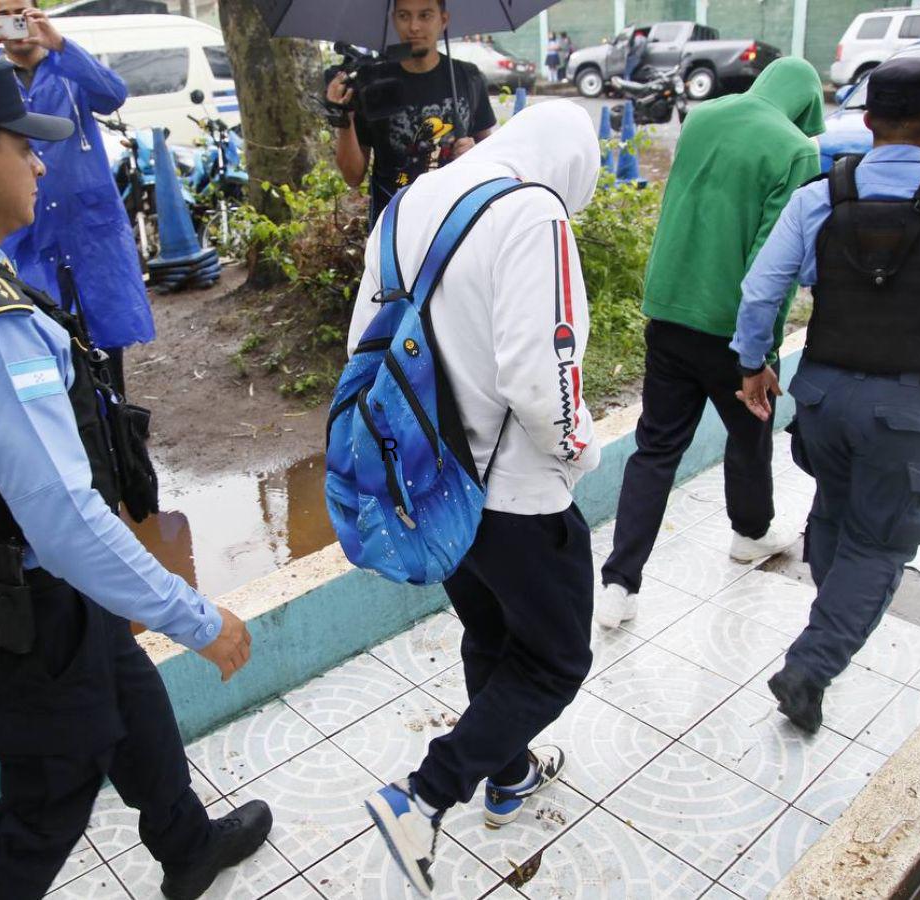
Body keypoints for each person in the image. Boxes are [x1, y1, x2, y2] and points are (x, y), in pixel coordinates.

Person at [0, 59, 270, 898]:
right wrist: (198, 619)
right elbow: (63, 518)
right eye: (22, 145)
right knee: (47, 802)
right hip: (28, 609)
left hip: (3, 592)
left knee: (131, 694)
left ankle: (187, 846)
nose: (37, 162)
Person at [351, 100, 601, 896]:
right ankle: (424, 795)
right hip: (518, 495)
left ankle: (511, 773)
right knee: (555, 660)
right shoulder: (534, 211)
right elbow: (541, 379)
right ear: (570, 165)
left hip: (432, 486)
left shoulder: (406, 204)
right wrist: (581, 452)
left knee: (491, 633)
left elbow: (364, 341)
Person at [733, 57, 920, 732]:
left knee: (835, 509)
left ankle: (832, 617)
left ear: (869, 120)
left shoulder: (819, 197)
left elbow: (761, 292)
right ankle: (811, 666)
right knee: (881, 541)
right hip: (905, 410)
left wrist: (753, 364)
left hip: (821, 399)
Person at [596, 58, 826, 630]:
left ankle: (618, 583)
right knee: (750, 432)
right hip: (731, 328)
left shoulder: (704, 116)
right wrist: (759, 356)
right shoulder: (797, 150)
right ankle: (749, 533)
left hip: (668, 312)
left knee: (655, 450)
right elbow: (774, 263)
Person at [0, 2, 150, 393]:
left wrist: (60, 44)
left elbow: (113, 94)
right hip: (26, 229)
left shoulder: (68, 68)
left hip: (88, 226)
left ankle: (115, 416)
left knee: (104, 336)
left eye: (22, 11)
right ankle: (71, 418)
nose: (16, 22)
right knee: (39, 334)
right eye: (4, 14)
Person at [327, 0, 496, 226]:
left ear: (443, 20)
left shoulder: (467, 77)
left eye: (425, 16)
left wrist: (474, 155)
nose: (414, 27)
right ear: (394, 20)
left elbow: (493, 160)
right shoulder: (372, 83)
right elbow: (353, 176)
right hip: (394, 226)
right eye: (404, 16)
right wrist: (344, 119)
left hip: (457, 223)